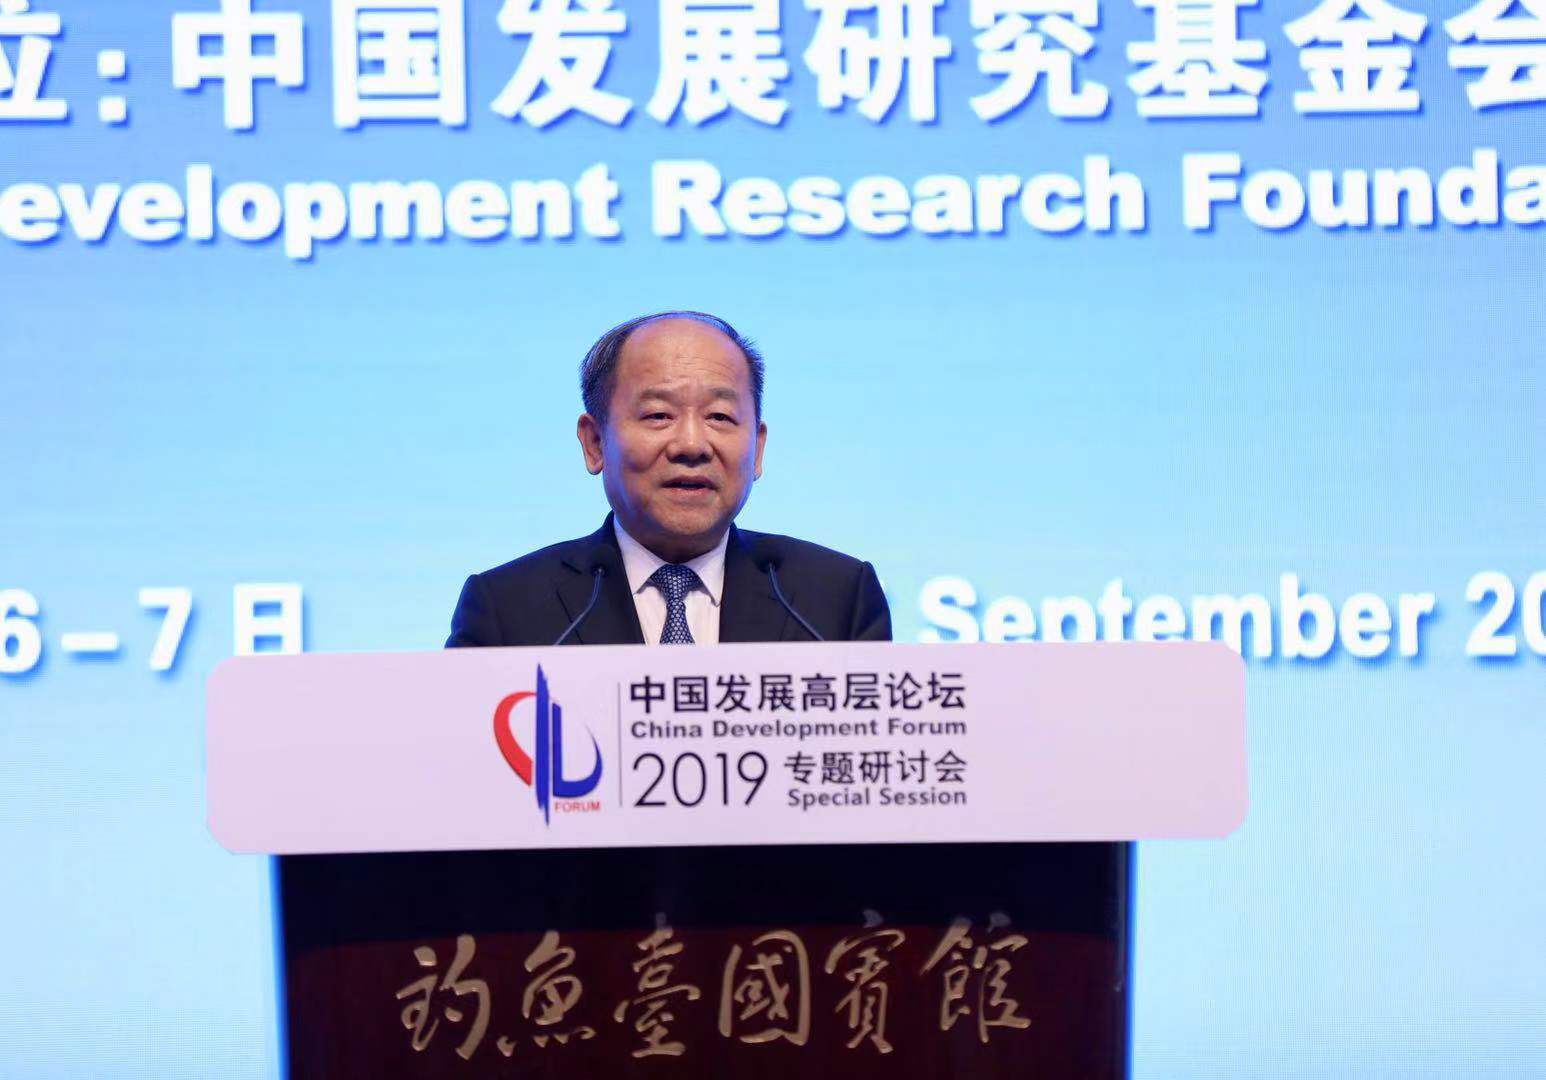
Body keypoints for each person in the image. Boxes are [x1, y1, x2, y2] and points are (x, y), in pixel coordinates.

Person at [446, 311, 891, 647]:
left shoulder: (835, 599)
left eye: (720, 416)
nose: (692, 444)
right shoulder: (507, 609)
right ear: (595, 442)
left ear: (757, 448)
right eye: (659, 415)